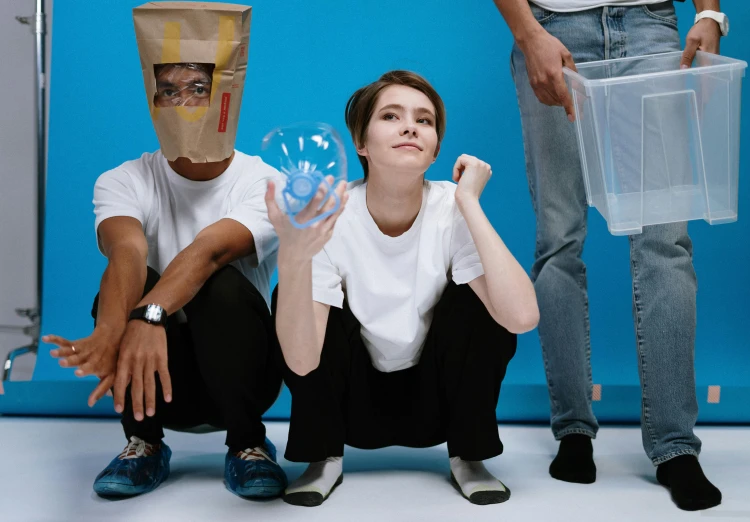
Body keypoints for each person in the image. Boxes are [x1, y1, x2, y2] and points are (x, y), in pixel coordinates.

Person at [44, 4, 287, 498]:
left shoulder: (265, 182)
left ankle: (248, 444)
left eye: (199, 88)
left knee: (220, 286)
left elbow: (211, 253)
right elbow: (127, 251)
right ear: (153, 99)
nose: (184, 102)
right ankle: (144, 444)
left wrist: (147, 316)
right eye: (169, 90)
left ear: (225, 95)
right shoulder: (123, 179)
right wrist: (115, 329)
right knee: (131, 278)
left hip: (244, 378)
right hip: (153, 378)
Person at [493, 0, 727, 511]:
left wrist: (710, 14)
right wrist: (527, 33)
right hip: (552, 29)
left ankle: (675, 446)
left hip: (650, 25)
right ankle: (573, 429)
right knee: (559, 237)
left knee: (664, 239)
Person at [267, 70, 540, 507]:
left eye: (425, 121)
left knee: (478, 298)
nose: (411, 126)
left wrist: (469, 203)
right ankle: (322, 458)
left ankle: (469, 456)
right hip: (352, 401)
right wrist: (293, 258)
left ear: (434, 150)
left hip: (435, 399)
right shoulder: (332, 214)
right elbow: (301, 362)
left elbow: (521, 317)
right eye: (391, 116)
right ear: (362, 143)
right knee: (294, 292)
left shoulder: (450, 205)